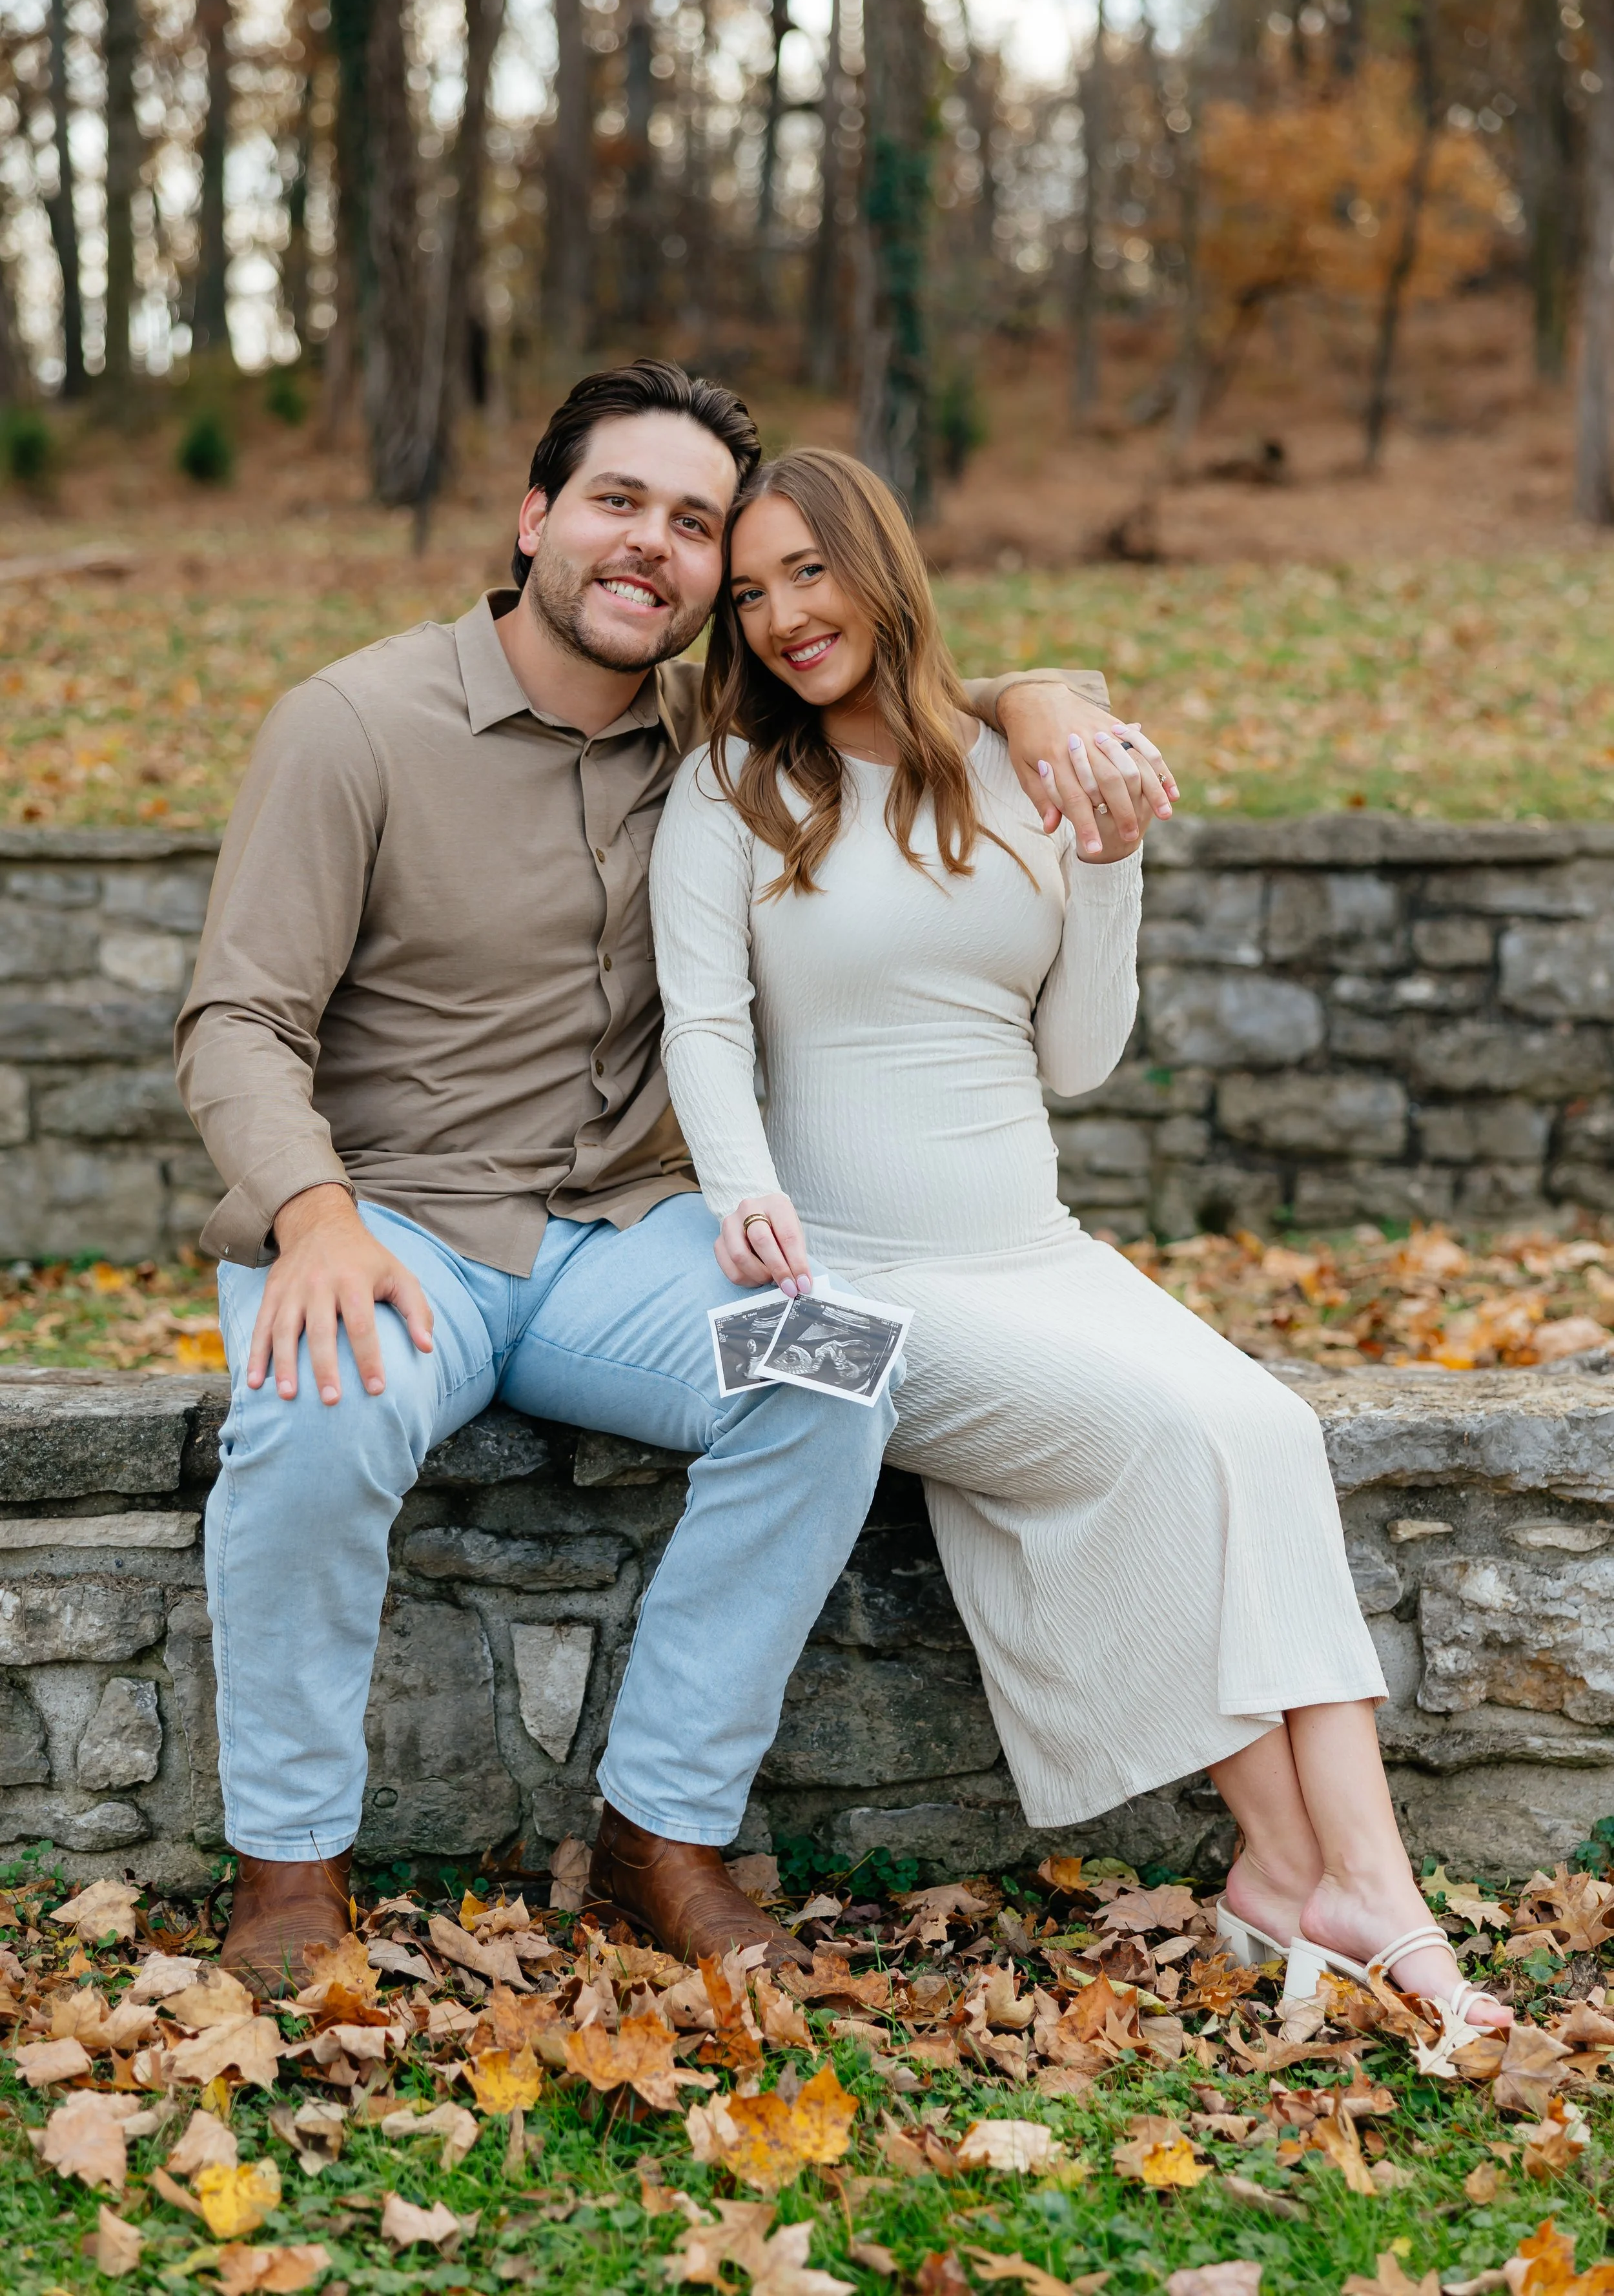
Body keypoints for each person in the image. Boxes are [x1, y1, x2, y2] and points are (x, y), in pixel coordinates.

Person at [174, 360, 1169, 1990]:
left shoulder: (721, 742)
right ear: (534, 519)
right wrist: (311, 1213)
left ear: (717, 571)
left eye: (692, 523)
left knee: (837, 1372)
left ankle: (660, 1833)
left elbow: (902, 684)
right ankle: (289, 1865)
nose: (652, 546)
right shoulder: (351, 725)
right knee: (316, 1407)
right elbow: (237, 1019)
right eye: (618, 502)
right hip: (388, 1229)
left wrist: (1044, 697)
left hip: (616, 1246)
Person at [648, 444, 1512, 2030]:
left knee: (1260, 1425)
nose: (779, 616)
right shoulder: (726, 785)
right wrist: (736, 1189)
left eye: (808, 573)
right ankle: (1354, 1892)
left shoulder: (1011, 766)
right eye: (752, 591)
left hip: (1031, 1251)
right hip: (825, 1282)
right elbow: (700, 1023)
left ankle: (1308, 1877)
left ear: (879, 567)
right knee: (1167, 1433)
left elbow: (1076, 1059)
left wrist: (1108, 871)